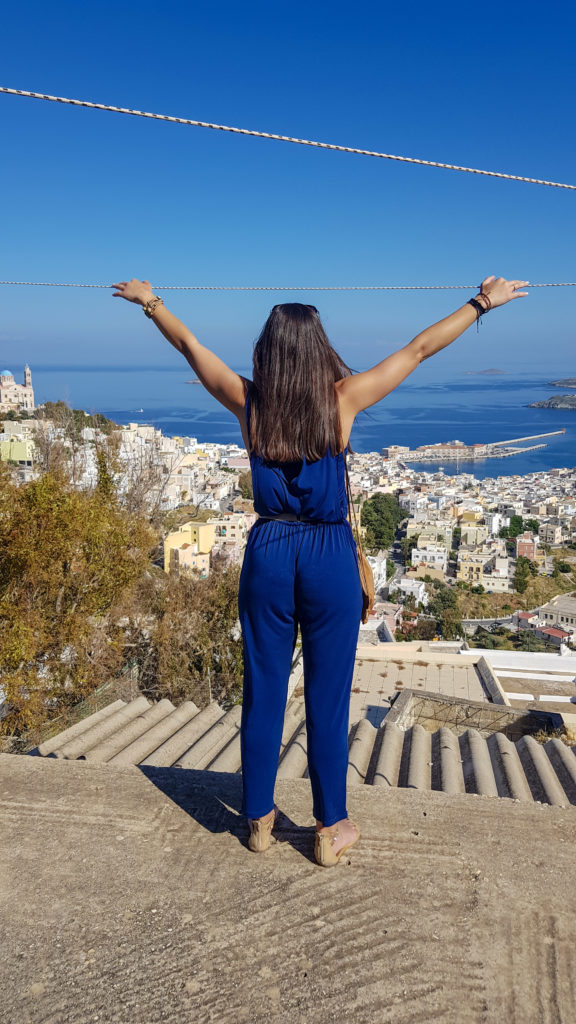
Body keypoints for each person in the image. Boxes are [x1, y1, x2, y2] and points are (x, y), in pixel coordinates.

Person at [112, 274, 528, 866]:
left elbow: (189, 346)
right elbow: (418, 349)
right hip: (328, 554)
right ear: (318, 350)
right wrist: (482, 302)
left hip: (269, 550)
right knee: (328, 699)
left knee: (263, 692)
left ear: (267, 351)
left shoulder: (249, 402)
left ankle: (258, 820)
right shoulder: (342, 401)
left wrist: (151, 302)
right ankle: (330, 828)